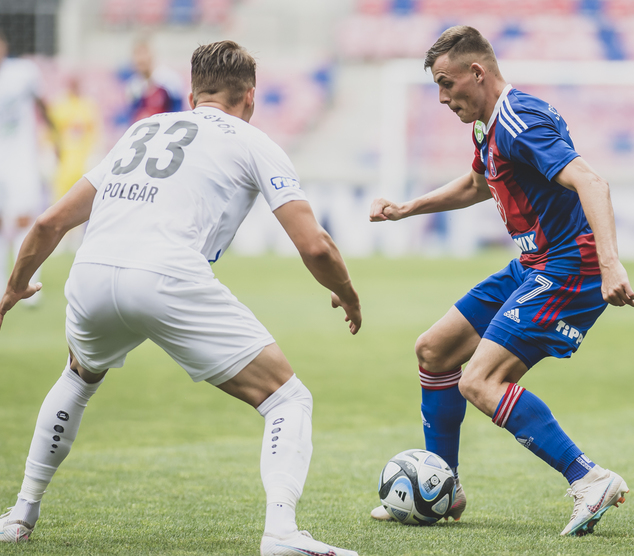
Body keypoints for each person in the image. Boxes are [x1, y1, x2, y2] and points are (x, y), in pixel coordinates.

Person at [0, 40, 363, 556]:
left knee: (78, 377)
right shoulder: (252, 139)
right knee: (287, 398)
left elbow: (49, 223)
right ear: (250, 97)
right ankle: (282, 531)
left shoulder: (142, 129)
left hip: (91, 271)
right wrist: (346, 293)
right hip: (165, 274)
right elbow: (315, 245)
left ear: (192, 95)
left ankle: (20, 513)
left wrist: (15, 286)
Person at [368, 26, 634, 536]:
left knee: (479, 381)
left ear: (477, 72)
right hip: (535, 262)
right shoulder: (487, 126)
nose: (443, 98)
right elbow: (476, 185)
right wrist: (408, 208)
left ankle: (589, 478)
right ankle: (443, 489)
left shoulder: (519, 121)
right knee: (435, 350)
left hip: (570, 265)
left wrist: (610, 264)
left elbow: (591, 181)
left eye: (446, 84)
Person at [0, 28, 54, 301]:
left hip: (21, 159)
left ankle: (28, 285)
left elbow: (42, 103)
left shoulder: (23, 72)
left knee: (25, 219)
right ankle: (3, 285)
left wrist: (54, 134)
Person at [125, 38, 183, 123]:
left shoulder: (170, 80)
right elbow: (132, 116)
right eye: (137, 54)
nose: (140, 58)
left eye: (143, 53)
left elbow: (178, 111)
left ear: (152, 54)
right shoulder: (133, 85)